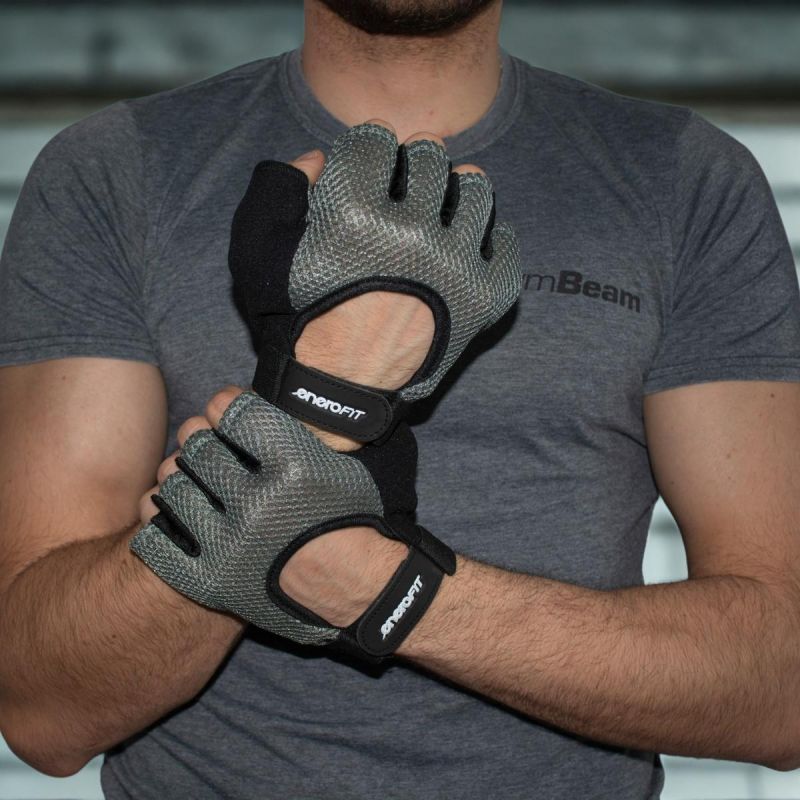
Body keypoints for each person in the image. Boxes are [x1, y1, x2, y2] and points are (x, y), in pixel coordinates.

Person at [1, 1, 799, 798]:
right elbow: (45, 712)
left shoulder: (682, 177)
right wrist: (327, 390)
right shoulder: (117, 169)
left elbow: (781, 687)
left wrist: (384, 588)